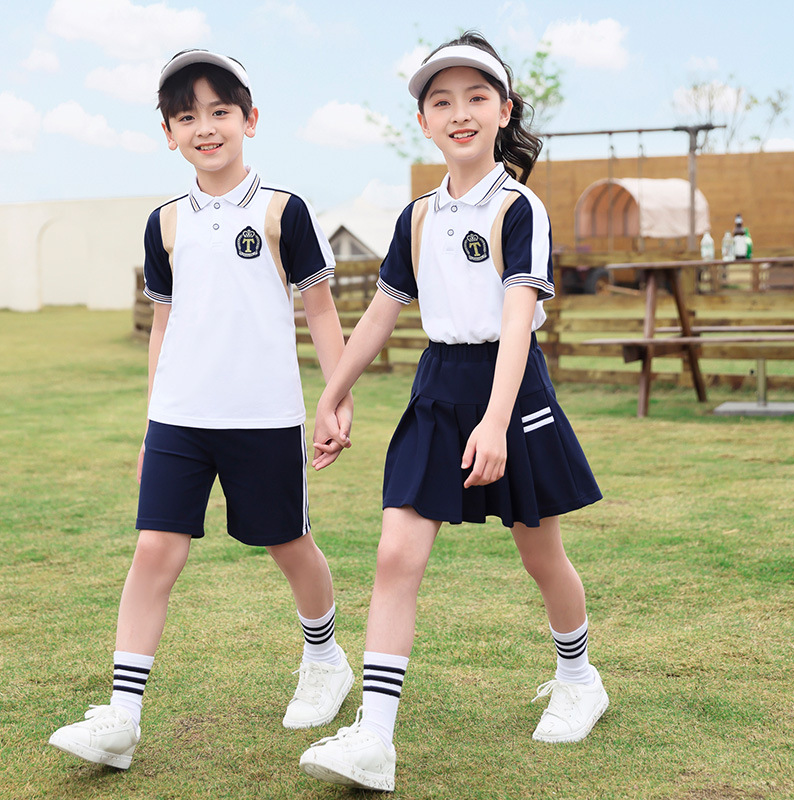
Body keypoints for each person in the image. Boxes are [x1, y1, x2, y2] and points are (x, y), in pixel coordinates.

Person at [298, 32, 607, 792]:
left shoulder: (518, 206)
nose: (459, 113)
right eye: (442, 101)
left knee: (540, 554)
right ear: (424, 121)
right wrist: (333, 393)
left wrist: (497, 420)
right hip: (438, 385)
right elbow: (380, 314)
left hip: (512, 388)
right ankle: (373, 736)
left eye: (475, 98)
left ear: (503, 111)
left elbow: (515, 318)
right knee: (396, 553)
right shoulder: (417, 217)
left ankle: (580, 678)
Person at [48, 49, 354, 770]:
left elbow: (319, 310)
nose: (205, 128)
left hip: (265, 420)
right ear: (168, 133)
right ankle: (122, 718)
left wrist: (334, 401)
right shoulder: (164, 223)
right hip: (182, 419)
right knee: (155, 549)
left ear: (250, 120)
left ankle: (325, 659)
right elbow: (164, 326)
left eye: (219, 112)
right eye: (187, 117)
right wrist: (152, 424)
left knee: (288, 546)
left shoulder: (284, 211)